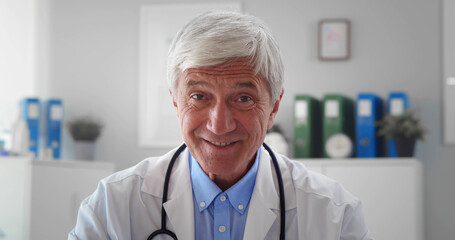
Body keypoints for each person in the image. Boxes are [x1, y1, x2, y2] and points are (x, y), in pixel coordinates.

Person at [69, 11, 372, 240]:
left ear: (273, 108)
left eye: (243, 98)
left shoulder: (334, 215)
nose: (219, 124)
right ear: (176, 102)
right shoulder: (113, 207)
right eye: (199, 96)